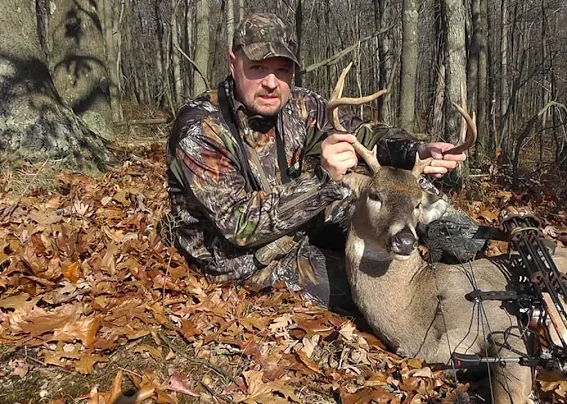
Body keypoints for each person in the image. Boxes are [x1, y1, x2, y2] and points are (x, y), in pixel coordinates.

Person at [165, 12, 466, 310]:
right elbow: (239, 226)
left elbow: (364, 134)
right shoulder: (201, 128)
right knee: (378, 293)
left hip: (297, 219)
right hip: (242, 257)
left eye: (282, 70)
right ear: (234, 64)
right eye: (257, 67)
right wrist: (323, 179)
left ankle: (472, 246)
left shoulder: (299, 104)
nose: (271, 82)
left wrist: (416, 150)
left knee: (400, 191)